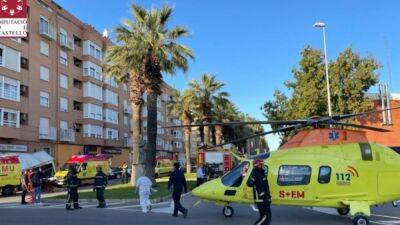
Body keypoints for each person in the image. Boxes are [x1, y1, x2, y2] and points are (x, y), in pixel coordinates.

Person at [247, 159, 271, 225]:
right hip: (261, 199)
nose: (263, 165)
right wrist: (264, 196)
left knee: (267, 218)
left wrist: (268, 196)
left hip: (265, 198)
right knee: (265, 217)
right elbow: (249, 183)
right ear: (257, 165)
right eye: (261, 164)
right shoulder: (255, 173)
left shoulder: (262, 173)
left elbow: (265, 186)